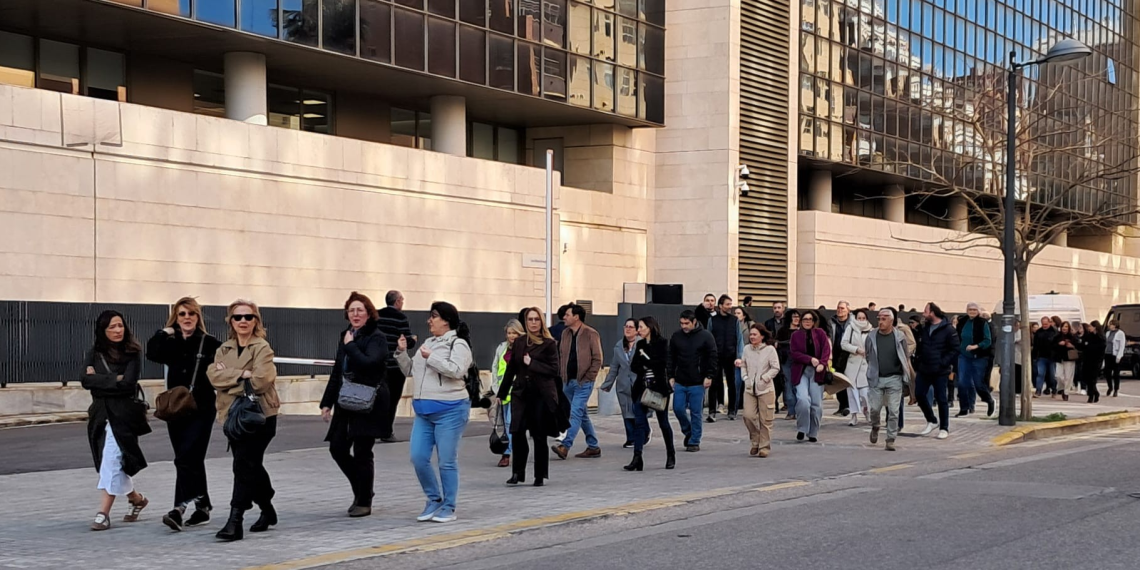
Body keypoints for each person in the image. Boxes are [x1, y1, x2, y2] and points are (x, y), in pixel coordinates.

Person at [147, 297, 222, 531]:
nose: (187, 318)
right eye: (182, 314)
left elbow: (223, 368)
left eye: (191, 314)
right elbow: (151, 352)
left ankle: (178, 509)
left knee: (185, 458)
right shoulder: (170, 342)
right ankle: (203, 506)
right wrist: (164, 332)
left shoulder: (210, 343)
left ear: (198, 317)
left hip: (201, 408)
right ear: (176, 318)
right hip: (176, 409)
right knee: (190, 458)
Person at [208, 300, 280, 541]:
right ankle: (267, 507)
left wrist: (229, 377)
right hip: (232, 416)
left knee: (243, 464)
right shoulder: (224, 349)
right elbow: (213, 376)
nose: (243, 321)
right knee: (250, 465)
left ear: (256, 321)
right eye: (237, 317)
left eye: (248, 317)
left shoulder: (262, 348)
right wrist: (242, 374)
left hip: (259, 416)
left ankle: (235, 520)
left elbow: (261, 381)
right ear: (230, 321)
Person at [395, 301, 473, 523]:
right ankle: (434, 499)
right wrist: (401, 352)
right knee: (418, 457)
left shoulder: (458, 344)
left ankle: (449, 506)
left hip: (450, 409)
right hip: (423, 412)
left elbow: (457, 370)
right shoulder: (428, 343)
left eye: (434, 316)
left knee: (446, 461)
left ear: (446, 321)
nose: (429, 320)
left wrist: (432, 358)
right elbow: (411, 370)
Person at [319, 292, 389, 518]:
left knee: (362, 451)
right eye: (351, 310)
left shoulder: (377, 337)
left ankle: (364, 500)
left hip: (368, 401)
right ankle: (362, 488)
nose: (355, 314)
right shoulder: (346, 335)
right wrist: (326, 402)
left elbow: (370, 364)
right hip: (345, 399)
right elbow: (337, 371)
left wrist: (350, 346)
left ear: (369, 313)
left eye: (360, 310)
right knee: (337, 447)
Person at [84, 310, 150, 531]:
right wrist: (115, 379)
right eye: (112, 326)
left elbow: (129, 383)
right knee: (110, 461)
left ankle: (103, 513)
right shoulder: (94, 353)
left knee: (111, 460)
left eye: (120, 325)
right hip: (100, 415)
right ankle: (137, 499)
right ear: (103, 330)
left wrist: (100, 380)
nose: (117, 330)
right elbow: (85, 380)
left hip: (123, 416)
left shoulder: (132, 352)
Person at [498, 308, 567, 487]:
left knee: (538, 435)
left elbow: (554, 370)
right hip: (521, 393)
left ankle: (539, 475)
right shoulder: (520, 342)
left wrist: (532, 363)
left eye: (537, 319)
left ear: (541, 322)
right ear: (526, 322)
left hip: (540, 394)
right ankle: (517, 473)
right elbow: (511, 369)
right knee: (517, 432)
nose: (533, 323)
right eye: (530, 319)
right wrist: (501, 393)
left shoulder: (549, 343)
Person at [552, 304, 604, 460]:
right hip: (568, 381)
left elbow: (597, 358)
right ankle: (593, 446)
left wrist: (589, 377)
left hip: (583, 382)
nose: (564, 318)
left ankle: (565, 445)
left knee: (575, 413)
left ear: (576, 317)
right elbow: (561, 356)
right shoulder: (565, 333)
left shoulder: (590, 333)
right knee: (581, 414)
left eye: (567, 315)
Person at [626, 316, 676, 470]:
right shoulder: (640, 344)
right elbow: (634, 366)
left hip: (659, 388)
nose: (639, 330)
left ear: (650, 327)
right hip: (641, 388)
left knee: (663, 423)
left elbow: (660, 364)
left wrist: (646, 361)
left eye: (641, 327)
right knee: (639, 423)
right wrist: (646, 363)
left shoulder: (662, 343)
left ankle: (671, 454)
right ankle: (637, 457)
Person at [668, 310, 718, 452]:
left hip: (698, 381)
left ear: (694, 322)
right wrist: (670, 375)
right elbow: (671, 357)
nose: (684, 326)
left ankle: (694, 440)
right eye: (681, 323)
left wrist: (709, 376)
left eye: (686, 323)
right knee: (678, 408)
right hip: (680, 380)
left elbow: (713, 357)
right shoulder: (676, 336)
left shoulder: (706, 336)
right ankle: (688, 431)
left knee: (696, 412)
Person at [865, 308, 914, 451]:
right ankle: (875, 426)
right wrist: (872, 369)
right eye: (879, 319)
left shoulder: (899, 336)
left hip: (895, 378)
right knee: (875, 409)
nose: (880, 322)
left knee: (893, 411)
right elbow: (868, 355)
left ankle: (890, 439)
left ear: (891, 321)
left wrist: (905, 375)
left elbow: (904, 355)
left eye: (884, 319)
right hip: (876, 378)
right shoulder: (871, 336)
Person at [376, 290, 417, 443]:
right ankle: (386, 432)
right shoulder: (401, 318)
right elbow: (406, 341)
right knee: (392, 400)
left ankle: (374, 429)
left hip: (378, 364)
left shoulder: (377, 315)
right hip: (395, 366)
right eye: (402, 300)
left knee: (376, 399)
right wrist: (413, 340)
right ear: (397, 301)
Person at [914, 302, 958, 440]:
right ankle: (931, 420)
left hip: (940, 370)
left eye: (925, 311)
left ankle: (944, 428)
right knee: (919, 394)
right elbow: (920, 346)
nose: (923, 314)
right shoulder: (924, 328)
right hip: (924, 368)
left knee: (941, 398)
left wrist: (943, 362)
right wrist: (918, 361)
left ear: (932, 312)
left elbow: (955, 349)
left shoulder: (948, 329)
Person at [736, 324, 779, 457]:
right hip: (749, 389)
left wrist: (765, 378)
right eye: (751, 334)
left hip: (765, 389)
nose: (752, 337)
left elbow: (775, 368)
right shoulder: (747, 349)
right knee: (748, 416)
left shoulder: (770, 350)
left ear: (762, 336)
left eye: (755, 334)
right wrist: (745, 377)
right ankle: (755, 440)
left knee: (765, 420)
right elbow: (743, 365)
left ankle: (764, 446)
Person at [790, 309, 831, 442]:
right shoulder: (795, 335)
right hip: (801, 371)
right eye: (805, 319)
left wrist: (822, 363)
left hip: (817, 372)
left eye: (810, 319)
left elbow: (826, 350)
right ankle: (802, 428)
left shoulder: (820, 333)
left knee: (816, 404)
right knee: (803, 399)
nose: (807, 322)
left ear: (814, 321)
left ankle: (813, 432)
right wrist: (810, 359)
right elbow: (794, 353)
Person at [601, 319, 642, 449]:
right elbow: (614, 366)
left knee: (638, 411)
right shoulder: (619, 346)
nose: (628, 329)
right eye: (626, 326)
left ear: (637, 330)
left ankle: (642, 434)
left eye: (631, 327)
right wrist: (607, 384)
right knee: (626, 411)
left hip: (639, 384)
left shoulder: (643, 344)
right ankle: (631, 438)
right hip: (623, 384)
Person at [490, 319, 525, 467]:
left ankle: (507, 453)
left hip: (518, 392)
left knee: (511, 422)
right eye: (509, 333)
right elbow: (495, 368)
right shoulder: (501, 348)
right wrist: (497, 390)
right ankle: (511, 450)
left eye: (514, 333)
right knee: (506, 423)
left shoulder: (524, 347)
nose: (511, 336)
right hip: (504, 392)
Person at [956, 303, 996, 417]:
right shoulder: (962, 321)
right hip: (964, 355)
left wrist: (976, 346)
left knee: (978, 383)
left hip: (979, 356)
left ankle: (989, 400)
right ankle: (964, 408)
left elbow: (987, 340)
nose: (972, 311)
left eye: (974, 310)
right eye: (970, 309)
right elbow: (957, 336)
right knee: (962, 382)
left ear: (978, 311)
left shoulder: (982, 323)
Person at [708, 294, 739, 421]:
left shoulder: (735, 320)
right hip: (716, 356)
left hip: (730, 355)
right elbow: (708, 338)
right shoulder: (712, 320)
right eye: (727, 304)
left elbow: (739, 339)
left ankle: (732, 410)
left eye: (730, 304)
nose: (730, 307)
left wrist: (739, 356)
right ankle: (712, 411)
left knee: (732, 383)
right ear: (720, 306)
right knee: (714, 383)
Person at [840, 308, 872, 426]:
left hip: (866, 365)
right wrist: (856, 349)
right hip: (852, 364)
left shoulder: (871, 330)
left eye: (863, 318)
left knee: (865, 393)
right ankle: (853, 416)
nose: (861, 320)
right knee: (852, 392)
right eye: (859, 318)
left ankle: (867, 411)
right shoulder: (851, 328)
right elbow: (844, 344)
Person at [776, 309, 801, 419]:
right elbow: (776, 344)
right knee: (788, 385)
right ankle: (791, 411)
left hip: (799, 361)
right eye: (794, 317)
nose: (797, 319)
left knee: (798, 386)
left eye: (798, 317)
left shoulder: (802, 331)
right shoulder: (782, 331)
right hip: (786, 360)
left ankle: (799, 411)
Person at [830, 301, 853, 417]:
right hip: (835, 354)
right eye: (838, 308)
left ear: (848, 310)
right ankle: (843, 405)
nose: (840, 310)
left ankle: (851, 405)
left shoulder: (853, 323)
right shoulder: (831, 322)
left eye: (842, 308)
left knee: (850, 379)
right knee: (838, 379)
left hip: (849, 354)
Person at [732, 306, 754, 418]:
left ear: (744, 315)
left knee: (749, 383)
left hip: (749, 357)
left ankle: (750, 408)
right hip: (737, 357)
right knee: (737, 383)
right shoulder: (732, 325)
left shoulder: (750, 325)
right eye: (735, 313)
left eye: (738, 313)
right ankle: (734, 409)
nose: (736, 315)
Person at [1078, 322, 1105, 403]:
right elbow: (1083, 346)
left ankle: (1091, 395)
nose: (1089, 328)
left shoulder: (1101, 338)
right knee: (1086, 378)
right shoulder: (1088, 336)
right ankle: (1095, 393)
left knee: (1092, 379)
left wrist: (1099, 361)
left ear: (1095, 327)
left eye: (1090, 326)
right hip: (1087, 360)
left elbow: (1101, 350)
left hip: (1096, 362)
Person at [1054, 321, 1078, 401]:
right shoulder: (1057, 336)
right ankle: (1062, 387)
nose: (1064, 328)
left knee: (1068, 376)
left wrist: (1071, 346)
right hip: (1059, 358)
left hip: (1069, 358)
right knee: (1058, 375)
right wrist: (1058, 344)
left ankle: (1066, 392)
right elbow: (1052, 345)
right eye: (1063, 326)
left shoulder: (1072, 337)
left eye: (1066, 326)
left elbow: (1078, 346)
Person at [1033, 317, 1058, 397]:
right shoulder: (1038, 332)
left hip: (1052, 357)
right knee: (1040, 374)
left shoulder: (1054, 331)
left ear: (1049, 323)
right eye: (1043, 324)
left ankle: (1054, 389)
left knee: (1052, 375)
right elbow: (1035, 345)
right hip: (1041, 356)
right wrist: (1035, 356)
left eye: (1046, 324)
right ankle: (1038, 390)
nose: (1044, 326)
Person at [1105, 320, 1125, 397]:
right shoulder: (1108, 333)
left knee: (1116, 373)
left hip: (1115, 355)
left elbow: (1121, 346)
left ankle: (1116, 389)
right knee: (1107, 372)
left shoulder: (1120, 333)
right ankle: (1110, 387)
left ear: (1115, 325)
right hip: (1108, 354)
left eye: (1111, 324)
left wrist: (1119, 356)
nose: (1109, 326)